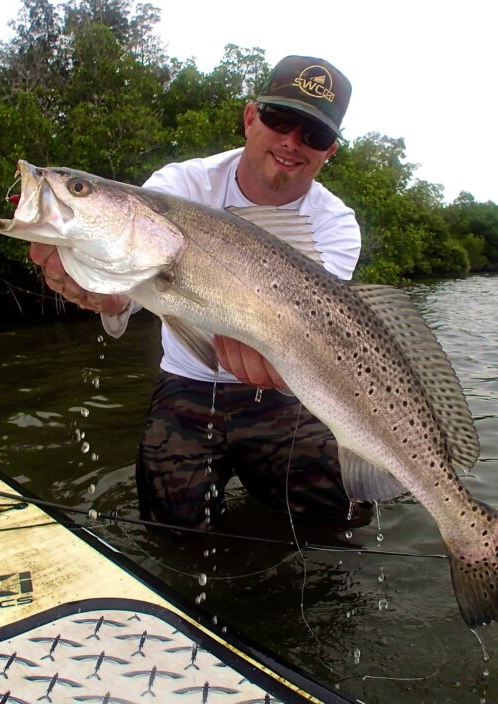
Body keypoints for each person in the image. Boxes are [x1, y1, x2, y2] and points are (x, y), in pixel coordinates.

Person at [30, 55, 372, 532]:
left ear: (329, 150)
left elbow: (309, 333)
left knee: (337, 516)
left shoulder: (334, 223)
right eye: (279, 119)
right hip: (186, 386)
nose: (292, 142)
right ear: (251, 117)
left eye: (314, 134)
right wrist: (108, 297)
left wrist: (276, 360)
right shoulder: (179, 186)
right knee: (172, 534)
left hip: (282, 392)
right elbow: (130, 284)